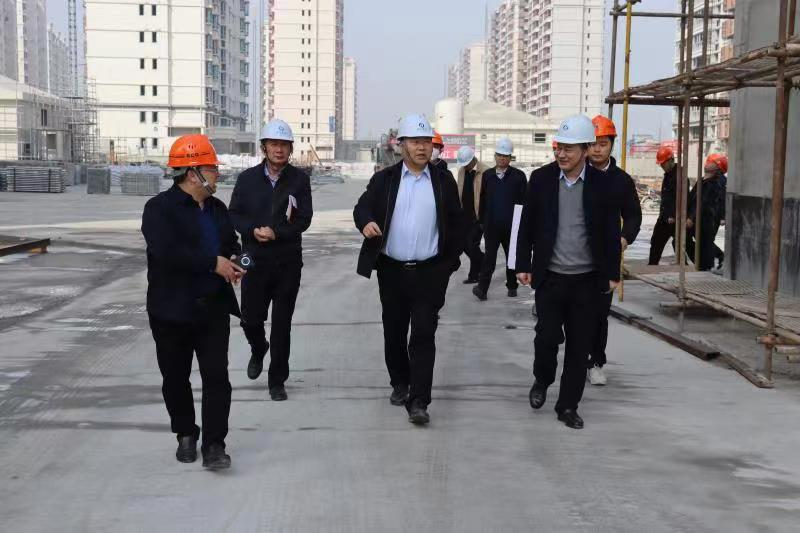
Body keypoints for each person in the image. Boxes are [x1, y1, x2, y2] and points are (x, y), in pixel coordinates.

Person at [353, 113, 465, 425]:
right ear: (401, 145)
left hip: (430, 273)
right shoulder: (385, 180)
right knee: (394, 332)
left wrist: (448, 265)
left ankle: (419, 401)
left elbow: (458, 224)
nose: (422, 147)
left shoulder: (442, 181)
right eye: (415, 142)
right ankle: (400, 383)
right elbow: (362, 207)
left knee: (424, 335)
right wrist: (366, 222)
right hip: (392, 271)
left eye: (426, 142)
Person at [141, 134, 244, 470]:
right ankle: (186, 432)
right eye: (212, 168)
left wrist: (236, 261)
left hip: (212, 308)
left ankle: (215, 444)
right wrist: (213, 263)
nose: (217, 174)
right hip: (171, 309)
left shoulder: (217, 209)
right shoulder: (158, 209)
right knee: (175, 378)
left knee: (217, 378)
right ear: (193, 172)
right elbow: (167, 251)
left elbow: (231, 244)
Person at [515, 115, 622, 430]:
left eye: (569, 149)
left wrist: (612, 273)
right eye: (559, 148)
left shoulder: (603, 184)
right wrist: (522, 264)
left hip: (587, 280)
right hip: (550, 276)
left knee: (579, 345)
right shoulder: (541, 179)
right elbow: (527, 224)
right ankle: (542, 379)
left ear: (586, 150)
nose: (561, 154)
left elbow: (609, 231)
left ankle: (568, 406)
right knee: (546, 338)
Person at [229, 119, 313, 401]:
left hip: (287, 261)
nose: (279, 150)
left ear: (291, 149)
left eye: (284, 145)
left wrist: (277, 233)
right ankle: (258, 347)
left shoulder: (299, 180)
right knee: (249, 318)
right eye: (274, 144)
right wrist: (252, 229)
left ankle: (277, 380)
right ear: (263, 148)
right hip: (252, 258)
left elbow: (304, 219)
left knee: (281, 325)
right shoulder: (247, 179)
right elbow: (234, 214)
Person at [586, 115, 642, 386]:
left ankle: (596, 362)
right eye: (593, 144)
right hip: (575, 254)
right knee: (574, 312)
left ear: (612, 145)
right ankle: (578, 357)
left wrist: (624, 239)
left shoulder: (621, 181)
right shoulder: (576, 174)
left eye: (603, 144)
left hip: (606, 257)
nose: (597, 149)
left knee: (599, 313)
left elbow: (633, 215)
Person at [472, 137, 527, 300]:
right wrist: (482, 221)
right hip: (492, 226)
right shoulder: (487, 175)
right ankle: (482, 289)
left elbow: (525, 202)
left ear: (510, 157)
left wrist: (522, 224)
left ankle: (512, 286)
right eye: (500, 155)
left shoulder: (519, 176)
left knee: (512, 258)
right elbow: (483, 199)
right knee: (489, 259)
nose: (502, 158)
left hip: (512, 226)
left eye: (505, 155)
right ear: (495, 156)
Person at [685, 153, 726, 271]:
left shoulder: (715, 183)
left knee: (705, 243)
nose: (707, 164)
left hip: (706, 219)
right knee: (700, 242)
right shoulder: (704, 180)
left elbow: (703, 202)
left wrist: (691, 218)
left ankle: (705, 265)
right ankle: (704, 263)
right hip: (698, 218)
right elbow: (692, 198)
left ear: (717, 167)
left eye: (711, 162)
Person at [455, 145, 489, 284]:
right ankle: (485, 262)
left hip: (478, 217)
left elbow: (488, 197)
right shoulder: (462, 171)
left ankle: (474, 275)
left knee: (472, 243)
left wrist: (484, 218)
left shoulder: (485, 171)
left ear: (473, 159)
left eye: (467, 163)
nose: (465, 166)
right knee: (464, 244)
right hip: (464, 216)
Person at [648, 146, 682, 265]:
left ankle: (686, 265)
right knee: (656, 242)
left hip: (672, 218)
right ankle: (652, 265)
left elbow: (681, 198)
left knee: (682, 243)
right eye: (661, 164)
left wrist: (673, 215)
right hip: (665, 216)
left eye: (663, 163)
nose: (662, 166)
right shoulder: (669, 175)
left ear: (671, 160)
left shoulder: (679, 176)